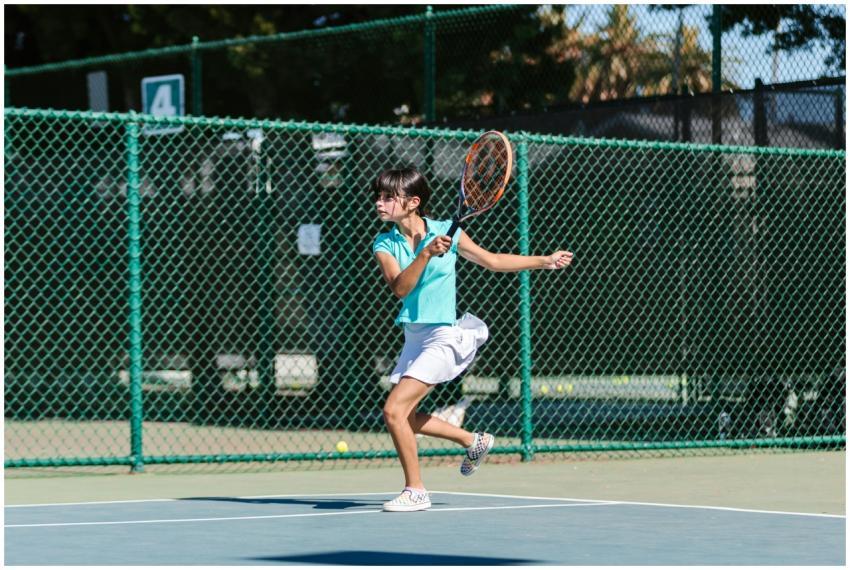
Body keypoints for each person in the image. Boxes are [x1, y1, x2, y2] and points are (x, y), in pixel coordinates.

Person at [371, 167, 573, 512]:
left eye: (389, 197)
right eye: (378, 196)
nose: (380, 203)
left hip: (444, 336)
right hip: (414, 336)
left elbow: (492, 261)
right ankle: (473, 440)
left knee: (393, 410)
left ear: (413, 202)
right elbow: (400, 289)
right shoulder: (384, 243)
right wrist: (424, 254)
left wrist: (544, 261)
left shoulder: (447, 233)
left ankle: (416, 490)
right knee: (405, 416)